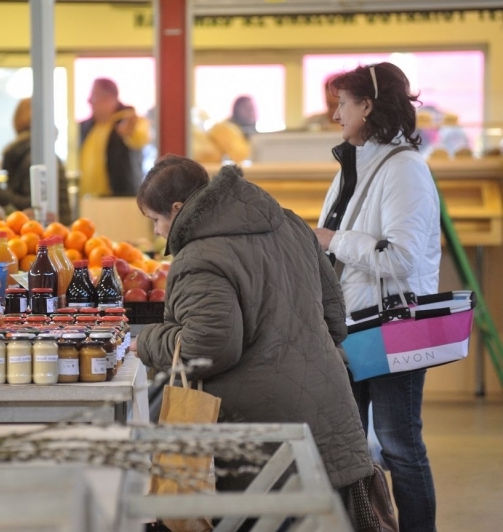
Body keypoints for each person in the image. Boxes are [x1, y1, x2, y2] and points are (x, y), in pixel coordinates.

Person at [132, 155, 373, 505]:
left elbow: (206, 348)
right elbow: (335, 316)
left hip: (263, 434)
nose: (156, 231)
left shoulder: (199, 257)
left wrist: (148, 341)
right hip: (328, 411)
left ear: (177, 208)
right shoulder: (289, 223)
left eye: (155, 220)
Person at [314, 62, 440, 532]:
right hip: (356, 326)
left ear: (366, 105)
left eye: (341, 105)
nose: (335, 116)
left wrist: (331, 239)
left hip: (392, 328)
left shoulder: (403, 170)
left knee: (398, 446)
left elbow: (401, 258)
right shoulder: (357, 162)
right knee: (354, 446)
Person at [0, 98, 72, 225]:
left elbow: (33, 205)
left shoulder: (32, 156)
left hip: (44, 231)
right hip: (59, 228)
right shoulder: (43, 153)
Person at [79, 78, 149, 197]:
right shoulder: (87, 126)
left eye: (94, 95)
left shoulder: (128, 119)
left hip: (120, 199)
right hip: (89, 199)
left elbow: (141, 137)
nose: (89, 100)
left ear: (109, 98)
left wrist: (130, 132)